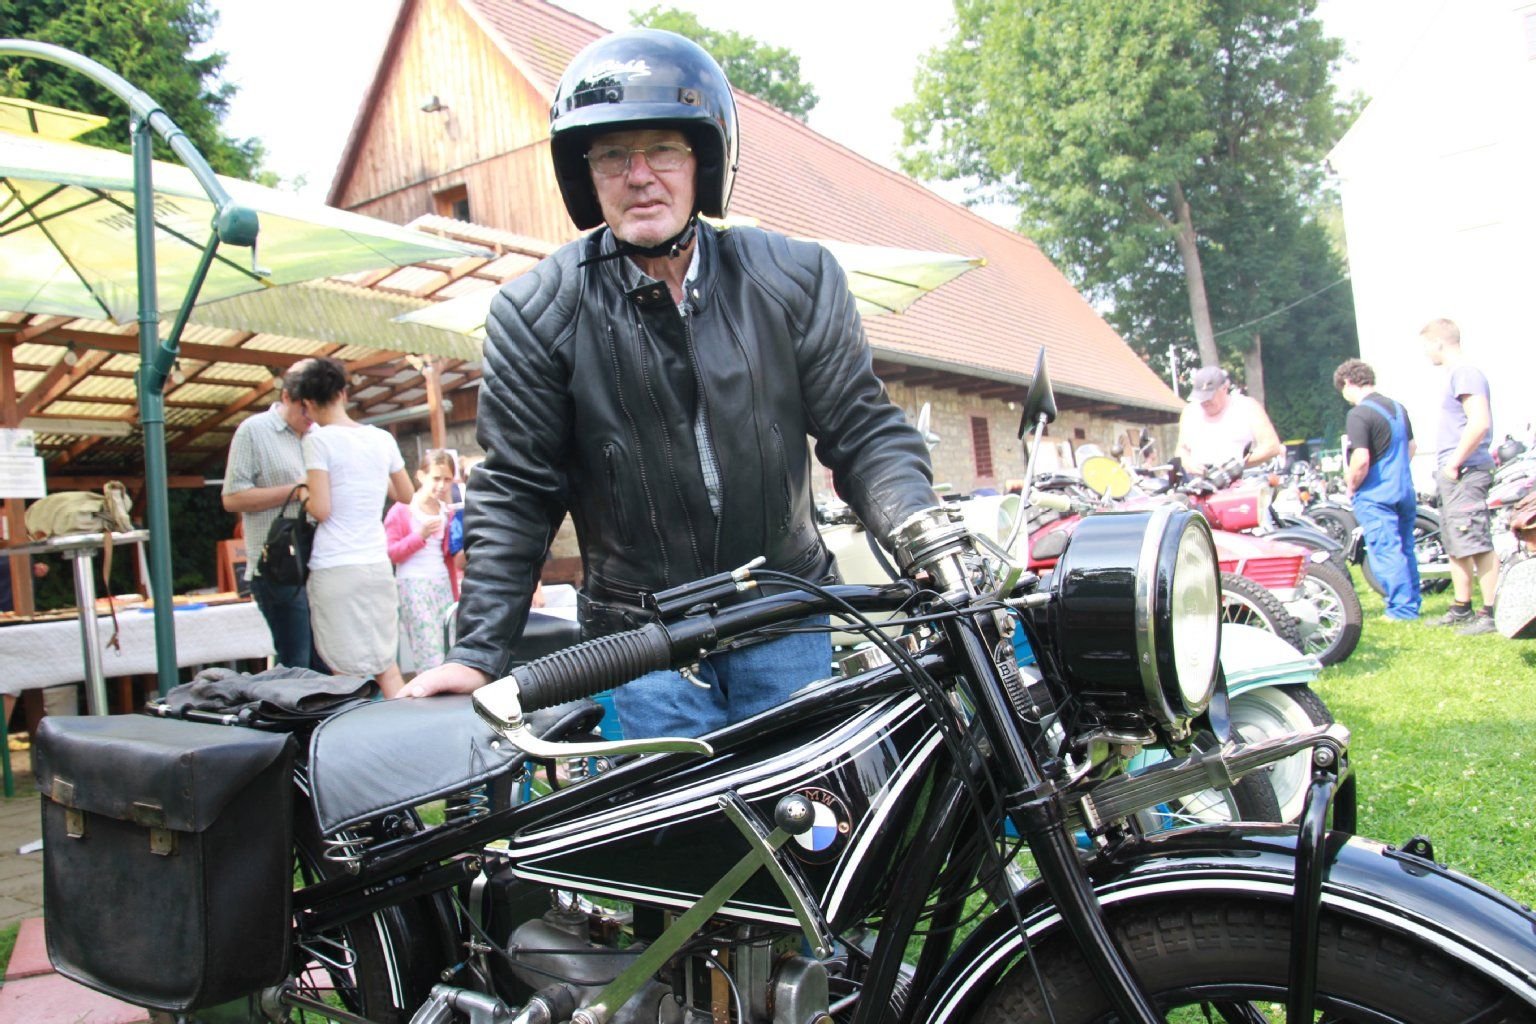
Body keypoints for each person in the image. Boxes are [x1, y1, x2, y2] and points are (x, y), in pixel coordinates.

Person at [401, 29, 938, 737]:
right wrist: (477, 651)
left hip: (780, 615)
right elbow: (517, 488)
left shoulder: (794, 278)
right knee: (682, 839)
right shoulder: (537, 312)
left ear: (703, 161)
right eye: (613, 155)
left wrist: (924, 538)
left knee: (811, 828)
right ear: (585, 175)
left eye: (662, 149)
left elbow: (862, 429)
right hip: (638, 642)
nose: (639, 174)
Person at [290, 357, 415, 695]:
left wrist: (302, 492)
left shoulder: (317, 440)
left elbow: (322, 509)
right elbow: (405, 494)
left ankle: (349, 745)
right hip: (376, 564)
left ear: (308, 404)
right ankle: (413, 737)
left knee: (343, 672)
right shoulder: (381, 439)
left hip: (336, 566)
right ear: (344, 394)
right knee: (386, 665)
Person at [221, 360, 329, 671]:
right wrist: (295, 491)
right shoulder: (253, 431)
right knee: (296, 662)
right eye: (304, 409)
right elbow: (231, 498)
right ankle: (292, 717)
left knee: (323, 660)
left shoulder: (319, 434)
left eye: (315, 408)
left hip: (318, 561)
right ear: (287, 398)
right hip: (276, 566)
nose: (310, 417)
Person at [1421, 318, 1499, 634]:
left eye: (1426, 346)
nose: (1426, 353)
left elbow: (1479, 422)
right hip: (1456, 472)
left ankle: (1491, 612)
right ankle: (1462, 607)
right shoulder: (1456, 375)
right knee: (1456, 540)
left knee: (1476, 541)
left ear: (1439, 342)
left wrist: (1454, 463)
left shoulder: (1466, 373)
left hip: (1466, 471)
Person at [1334, 359, 1420, 621]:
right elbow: (1412, 447)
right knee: (1405, 547)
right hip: (1404, 489)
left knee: (1386, 550)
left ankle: (1401, 610)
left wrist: (1351, 485)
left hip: (1376, 494)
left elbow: (1361, 459)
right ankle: (1412, 602)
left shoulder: (1359, 414)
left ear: (1348, 382)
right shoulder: (1398, 408)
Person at [385, 449, 462, 674]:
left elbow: (450, 556)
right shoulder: (402, 510)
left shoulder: (446, 511)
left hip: (442, 584)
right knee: (428, 650)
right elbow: (392, 553)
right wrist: (419, 536)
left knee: (450, 646)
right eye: (436, 478)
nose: (441, 485)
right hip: (413, 583)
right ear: (421, 476)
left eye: (447, 479)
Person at [1175, 366, 1285, 475]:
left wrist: (1237, 464)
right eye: (1201, 397)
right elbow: (1181, 450)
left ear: (1224, 388)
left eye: (1209, 396)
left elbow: (1272, 446)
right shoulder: (1190, 412)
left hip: (1244, 480)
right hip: (1201, 483)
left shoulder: (1247, 407)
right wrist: (1187, 463)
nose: (1205, 401)